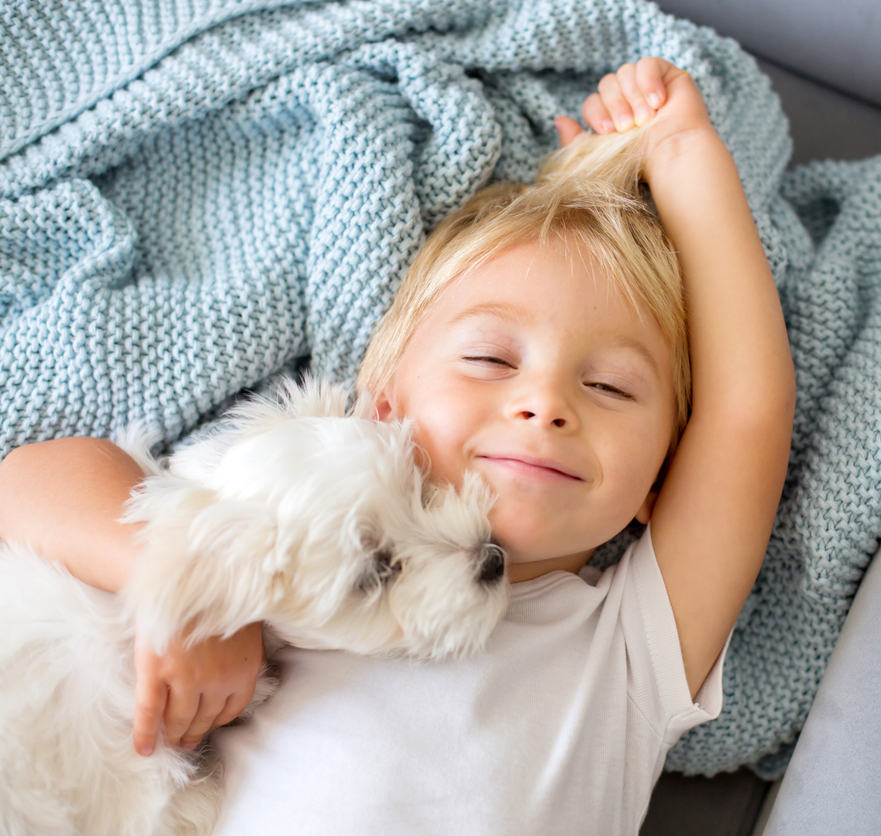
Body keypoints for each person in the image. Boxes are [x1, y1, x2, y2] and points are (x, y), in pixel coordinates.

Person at [0, 57, 795, 833]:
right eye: (491, 359)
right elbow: (27, 484)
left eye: (612, 387)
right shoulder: (315, 518)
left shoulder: (632, 644)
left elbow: (745, 413)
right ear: (386, 407)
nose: (544, 404)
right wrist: (190, 599)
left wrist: (684, 156)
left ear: (664, 475)